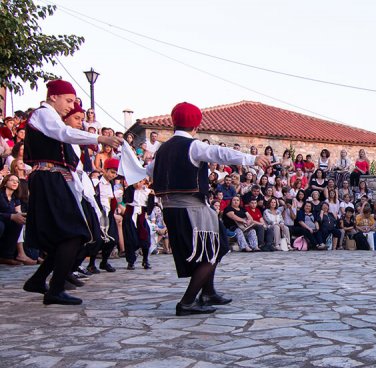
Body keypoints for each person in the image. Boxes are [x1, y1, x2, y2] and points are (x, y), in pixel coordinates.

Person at [150, 102, 269, 316]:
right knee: (212, 252)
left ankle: (208, 292)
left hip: (171, 208)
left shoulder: (162, 150)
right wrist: (252, 158)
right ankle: (187, 302)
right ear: (196, 125)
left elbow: (148, 170)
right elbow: (219, 153)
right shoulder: (193, 146)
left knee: (220, 243)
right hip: (192, 208)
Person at [22, 80, 123, 305]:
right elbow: (63, 133)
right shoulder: (43, 114)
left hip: (55, 179)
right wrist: (99, 137)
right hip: (49, 178)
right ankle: (54, 289)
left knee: (67, 236)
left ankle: (40, 280)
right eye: (68, 101)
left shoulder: (50, 117)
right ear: (53, 97)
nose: (71, 106)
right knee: (75, 233)